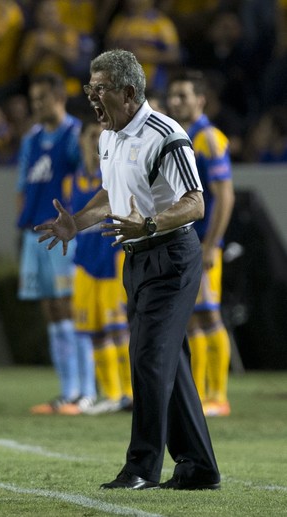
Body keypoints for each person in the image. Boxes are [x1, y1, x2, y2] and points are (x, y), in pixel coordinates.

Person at [35, 49, 220, 490]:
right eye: (89, 88)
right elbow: (109, 191)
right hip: (136, 258)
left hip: (172, 255)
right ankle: (198, 466)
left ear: (129, 92)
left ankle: (141, 466)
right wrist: (76, 223)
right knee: (166, 361)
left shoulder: (165, 134)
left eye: (100, 89)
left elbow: (195, 201)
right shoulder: (107, 135)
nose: (92, 98)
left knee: (148, 358)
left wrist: (151, 221)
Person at [167, 69, 235, 417]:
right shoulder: (182, 134)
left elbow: (225, 196)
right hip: (186, 241)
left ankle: (217, 395)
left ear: (200, 100)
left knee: (209, 315)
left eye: (184, 96)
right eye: (174, 96)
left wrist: (211, 244)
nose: (177, 102)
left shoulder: (208, 138)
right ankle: (202, 396)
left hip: (203, 242)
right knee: (193, 318)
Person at [16, 72, 82, 414]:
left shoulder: (75, 135)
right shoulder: (31, 139)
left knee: (70, 306)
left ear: (60, 97)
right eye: (33, 99)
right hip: (33, 233)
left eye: (42, 98)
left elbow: (85, 180)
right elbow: (22, 187)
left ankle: (82, 391)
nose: (37, 105)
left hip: (61, 233)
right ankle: (67, 390)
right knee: (51, 310)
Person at [59, 119, 133, 416]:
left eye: (100, 135)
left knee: (119, 330)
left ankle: (131, 393)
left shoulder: (114, 174)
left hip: (112, 261)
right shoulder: (70, 181)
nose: (95, 140)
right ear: (81, 142)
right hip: (85, 264)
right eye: (91, 135)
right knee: (95, 332)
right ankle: (113, 394)